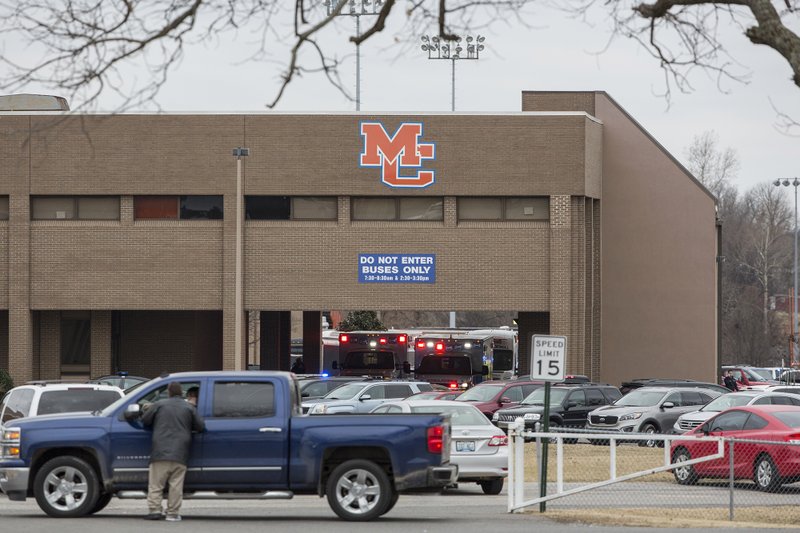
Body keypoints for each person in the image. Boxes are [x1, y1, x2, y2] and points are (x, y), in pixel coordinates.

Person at [142, 381, 205, 522]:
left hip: (160, 451)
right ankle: (172, 513)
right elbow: (200, 426)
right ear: (181, 393)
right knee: (176, 485)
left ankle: (154, 510)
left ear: (169, 392)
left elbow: (145, 420)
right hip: (180, 452)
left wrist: (147, 408)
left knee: (156, 484)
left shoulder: (159, 405)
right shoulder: (189, 408)